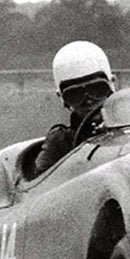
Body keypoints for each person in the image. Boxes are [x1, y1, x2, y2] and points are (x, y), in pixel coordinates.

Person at [33, 40, 115, 176]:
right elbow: (40, 184)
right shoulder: (61, 142)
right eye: (75, 95)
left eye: (97, 89)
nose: (88, 101)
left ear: (111, 84)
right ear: (62, 98)